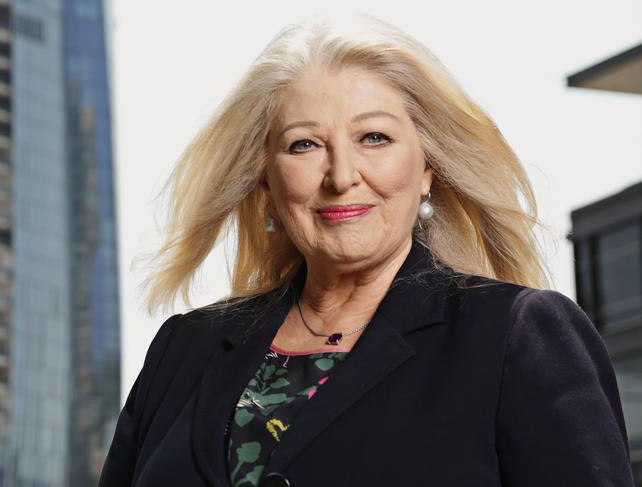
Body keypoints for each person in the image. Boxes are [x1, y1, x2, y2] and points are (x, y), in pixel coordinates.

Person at [99, 12, 635, 487]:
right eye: (304, 144)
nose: (341, 176)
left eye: (374, 138)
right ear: (265, 180)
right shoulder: (183, 349)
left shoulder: (517, 336)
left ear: (428, 168)